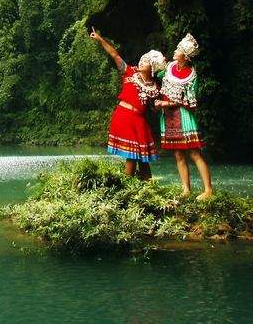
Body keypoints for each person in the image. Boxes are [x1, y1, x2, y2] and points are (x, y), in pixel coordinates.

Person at [88, 28, 166, 179]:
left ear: (153, 68)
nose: (142, 62)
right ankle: (128, 184)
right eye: (143, 59)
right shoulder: (130, 71)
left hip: (139, 121)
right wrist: (100, 39)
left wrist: (159, 106)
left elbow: (155, 109)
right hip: (124, 116)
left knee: (143, 158)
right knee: (132, 155)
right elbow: (114, 54)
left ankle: (146, 185)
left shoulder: (155, 87)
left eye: (146, 62)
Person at [159, 33, 213, 198]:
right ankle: (186, 190)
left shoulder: (191, 76)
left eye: (178, 50)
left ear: (185, 56)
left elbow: (188, 100)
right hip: (169, 115)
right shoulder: (169, 67)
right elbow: (157, 76)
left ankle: (208, 190)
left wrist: (166, 103)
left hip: (183, 115)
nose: (175, 51)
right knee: (178, 154)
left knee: (194, 153)